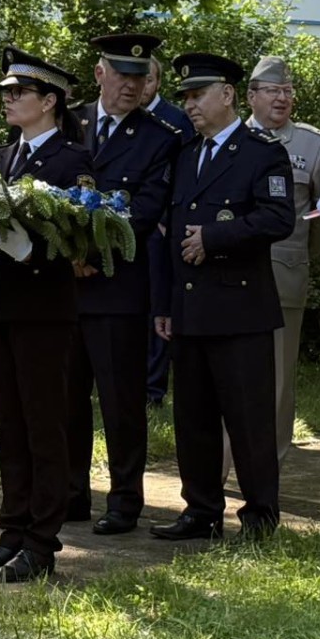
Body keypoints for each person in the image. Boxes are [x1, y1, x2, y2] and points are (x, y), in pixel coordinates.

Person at [0, 48, 92, 582]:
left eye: (20, 92)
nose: (9, 100)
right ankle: (10, 533)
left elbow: (81, 238)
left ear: (50, 101)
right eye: (6, 92)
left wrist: (30, 245)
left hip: (42, 307)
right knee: (8, 425)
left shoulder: (72, 159)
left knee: (43, 425)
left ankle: (41, 541)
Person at [151, 52, 294, 541]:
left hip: (240, 309)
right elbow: (169, 234)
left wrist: (214, 238)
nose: (189, 105)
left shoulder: (261, 152)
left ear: (228, 95)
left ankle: (259, 516)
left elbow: (278, 218)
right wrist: (165, 304)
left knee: (249, 420)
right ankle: (201, 510)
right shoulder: (186, 153)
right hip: (191, 307)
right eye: (185, 97)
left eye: (198, 95)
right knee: (193, 418)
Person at [67, 34, 179, 534]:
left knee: (121, 403)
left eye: (139, 77)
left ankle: (124, 500)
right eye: (122, 75)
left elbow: (145, 210)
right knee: (66, 398)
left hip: (117, 286)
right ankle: (71, 493)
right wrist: (69, 256)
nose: (131, 86)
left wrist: (88, 254)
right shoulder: (69, 122)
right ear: (100, 74)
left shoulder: (159, 138)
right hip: (65, 287)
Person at [244, 55, 320, 459]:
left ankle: (271, 461)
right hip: (230, 276)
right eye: (272, 91)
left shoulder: (313, 144)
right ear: (251, 96)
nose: (281, 98)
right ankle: (224, 463)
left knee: (279, 375)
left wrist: (300, 253)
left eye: (287, 91)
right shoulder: (228, 137)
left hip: (285, 274)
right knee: (230, 372)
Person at [140, 52, 194, 406]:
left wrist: (166, 222)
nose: (141, 86)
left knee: (159, 304)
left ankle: (153, 388)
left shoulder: (177, 120)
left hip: (161, 227)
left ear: (158, 82)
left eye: (148, 79)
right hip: (131, 225)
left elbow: (184, 173)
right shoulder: (121, 118)